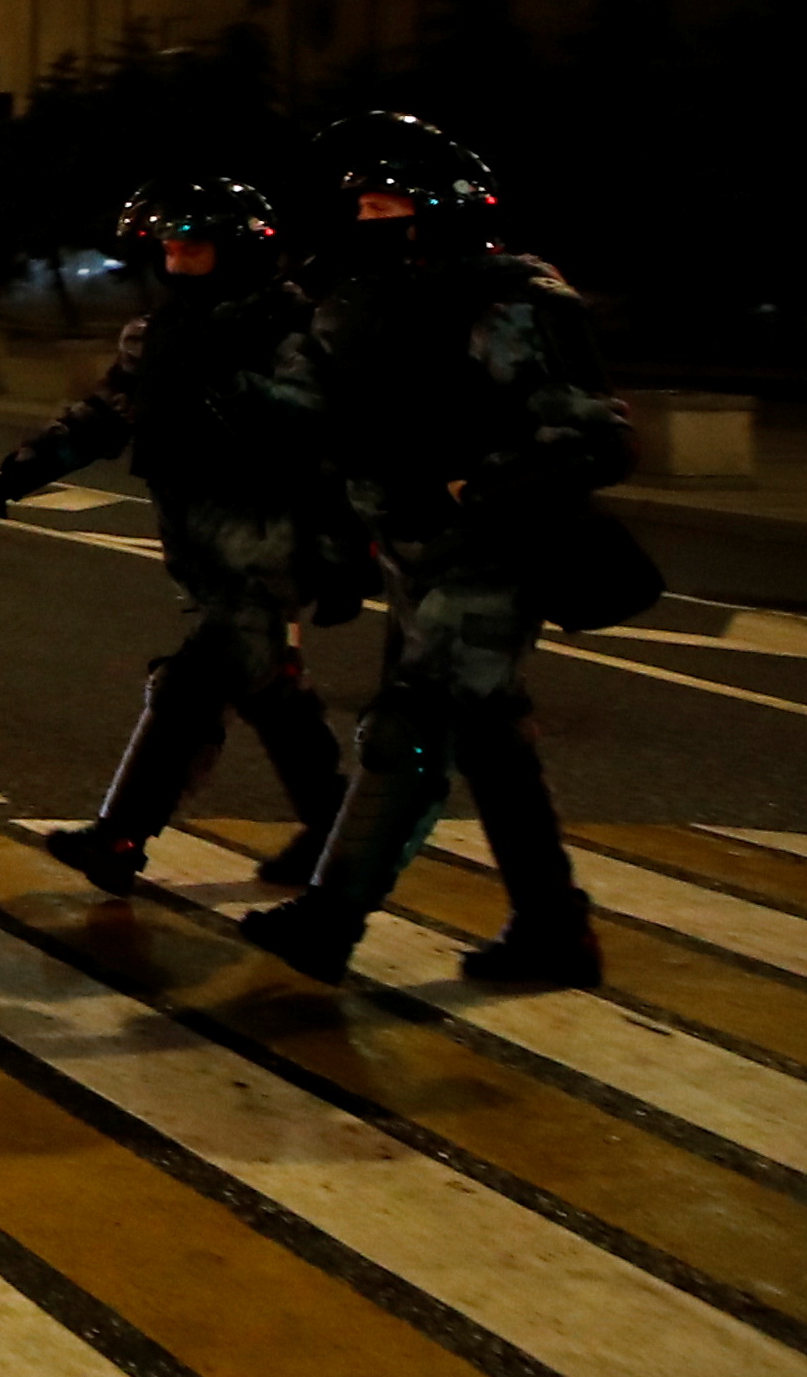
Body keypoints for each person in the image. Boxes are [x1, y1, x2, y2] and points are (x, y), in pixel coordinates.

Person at [240, 115, 634, 989]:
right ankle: (552, 927)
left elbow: (590, 438)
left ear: (438, 210)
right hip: (411, 552)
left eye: (383, 203)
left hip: (487, 553)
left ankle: (328, 919)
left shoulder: (513, 300)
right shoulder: (372, 296)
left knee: (409, 728)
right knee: (488, 736)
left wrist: (465, 489)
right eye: (362, 203)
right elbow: (310, 408)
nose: (366, 218)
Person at [0, 178, 351, 894]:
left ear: (239, 249)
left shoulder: (288, 325)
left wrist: (228, 382)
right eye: (170, 247)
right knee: (252, 682)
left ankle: (123, 837)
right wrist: (35, 460)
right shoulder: (163, 328)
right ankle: (333, 834)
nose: (178, 259)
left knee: (205, 676)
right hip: (192, 529)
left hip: (265, 526)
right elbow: (113, 405)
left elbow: (313, 417)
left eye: (195, 246)